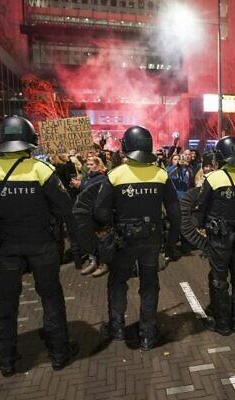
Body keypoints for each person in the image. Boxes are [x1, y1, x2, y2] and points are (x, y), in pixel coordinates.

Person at [0, 116, 77, 376]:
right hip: (41, 245)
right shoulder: (41, 170)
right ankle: (58, 354)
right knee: (51, 298)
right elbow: (65, 208)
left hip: (6, 248)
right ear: (29, 140)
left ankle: (7, 360)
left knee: (7, 304)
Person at [93, 126, 181, 351]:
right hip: (152, 241)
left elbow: (100, 213)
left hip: (124, 242)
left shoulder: (115, 175)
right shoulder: (161, 175)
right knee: (149, 285)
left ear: (126, 147)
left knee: (118, 282)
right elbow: (174, 211)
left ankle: (117, 328)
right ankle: (148, 335)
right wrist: (171, 242)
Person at [196, 136, 235, 335]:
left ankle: (222, 323)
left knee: (219, 278)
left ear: (221, 155)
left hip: (220, 237)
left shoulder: (213, 178)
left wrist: (201, 225)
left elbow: (201, 207)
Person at [70, 156, 108, 277]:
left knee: (100, 238)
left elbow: (93, 191)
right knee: (89, 237)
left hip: (96, 212)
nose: (89, 166)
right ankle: (93, 261)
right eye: (88, 164)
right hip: (86, 213)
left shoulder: (102, 178)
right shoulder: (87, 177)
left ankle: (103, 262)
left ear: (98, 165)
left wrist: (79, 186)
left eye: (91, 164)